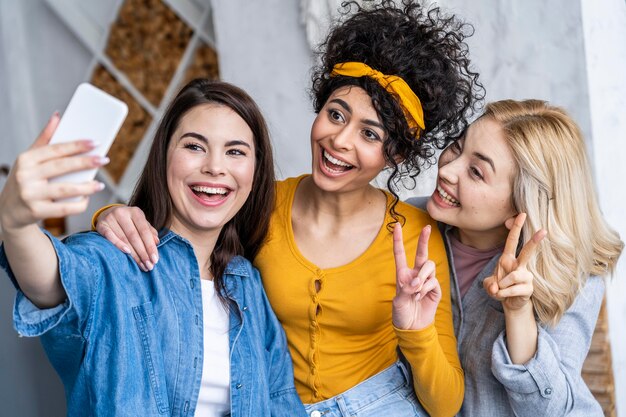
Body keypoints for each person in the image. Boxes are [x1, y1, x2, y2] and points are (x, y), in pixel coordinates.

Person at [90, 2, 484, 416]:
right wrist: (111, 216)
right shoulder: (262, 202)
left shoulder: (415, 235)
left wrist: (415, 330)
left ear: (397, 154)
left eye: (369, 133)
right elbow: (183, 227)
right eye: (336, 114)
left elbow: (445, 405)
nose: (340, 140)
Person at [0, 79, 306, 417]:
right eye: (194, 146)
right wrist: (15, 223)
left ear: (255, 170)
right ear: (164, 157)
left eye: (235, 151)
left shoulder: (247, 284)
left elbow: (281, 402)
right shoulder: (113, 261)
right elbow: (48, 280)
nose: (215, 167)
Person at [399, 99, 623, 416]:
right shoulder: (410, 223)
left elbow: (552, 411)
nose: (447, 170)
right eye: (456, 147)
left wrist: (518, 314)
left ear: (522, 203)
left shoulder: (573, 274)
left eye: (476, 172)